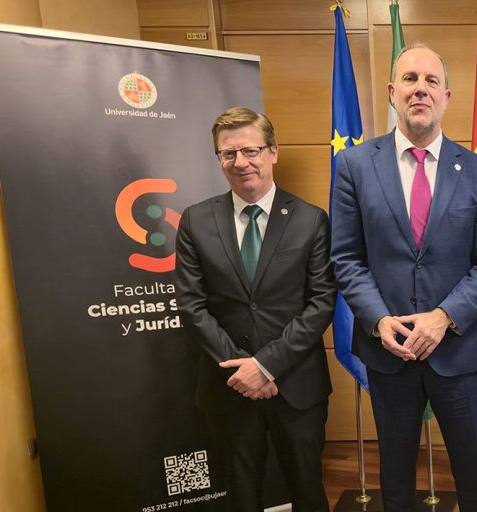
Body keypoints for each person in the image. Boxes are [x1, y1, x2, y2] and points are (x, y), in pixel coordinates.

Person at [329, 44, 477, 512]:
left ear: (446, 97)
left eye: (431, 81)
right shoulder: (355, 166)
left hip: (458, 353)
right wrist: (377, 320)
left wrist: (443, 317)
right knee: (395, 481)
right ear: (393, 92)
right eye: (410, 79)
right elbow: (346, 258)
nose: (420, 90)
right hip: (389, 352)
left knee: (473, 478)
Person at [175, 107, 336, 511]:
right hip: (227, 386)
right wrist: (243, 370)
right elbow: (191, 305)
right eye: (228, 153)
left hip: (296, 385)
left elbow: (321, 303)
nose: (240, 162)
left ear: (273, 152)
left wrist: (265, 366)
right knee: (241, 495)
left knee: (308, 492)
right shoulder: (195, 221)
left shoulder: (310, 220)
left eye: (251, 150)